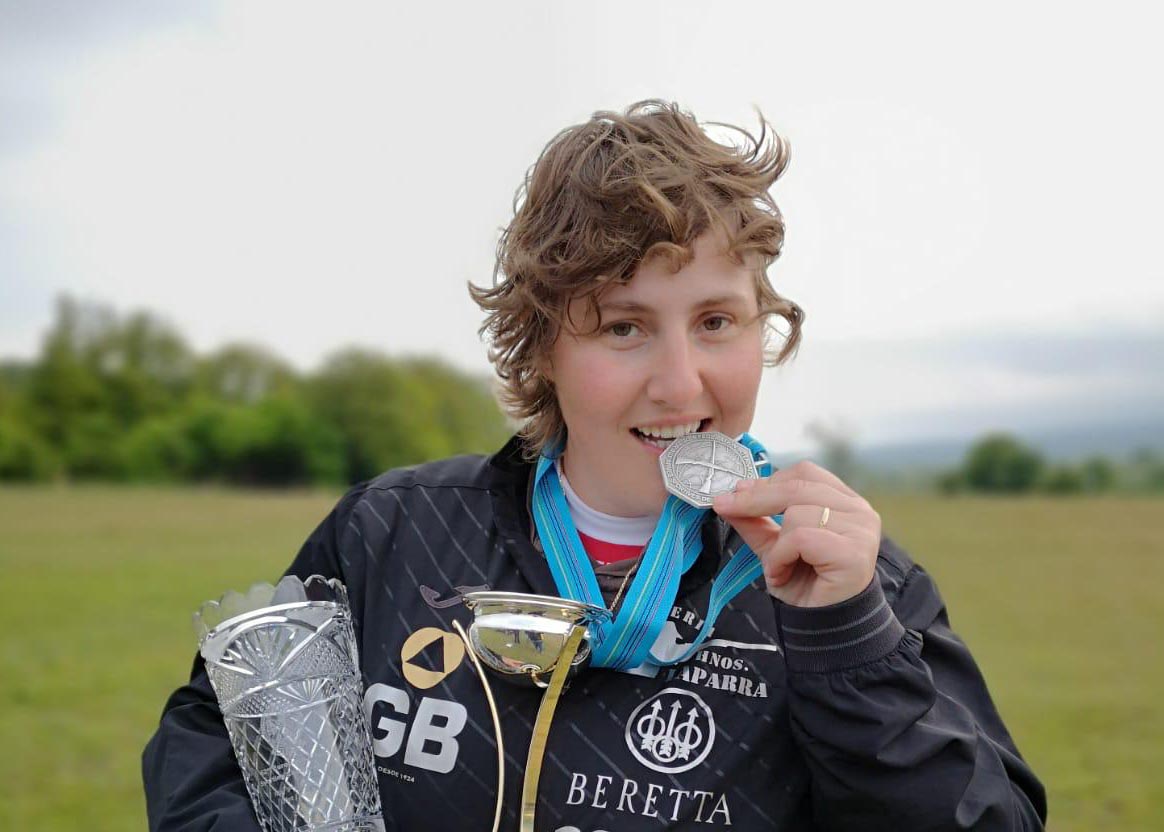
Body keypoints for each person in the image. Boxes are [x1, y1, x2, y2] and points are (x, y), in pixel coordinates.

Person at [143, 100, 1048, 831]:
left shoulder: (854, 586)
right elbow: (217, 746)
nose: (681, 382)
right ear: (541, 346)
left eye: (717, 321)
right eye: (625, 327)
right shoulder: (390, 532)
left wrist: (852, 649)